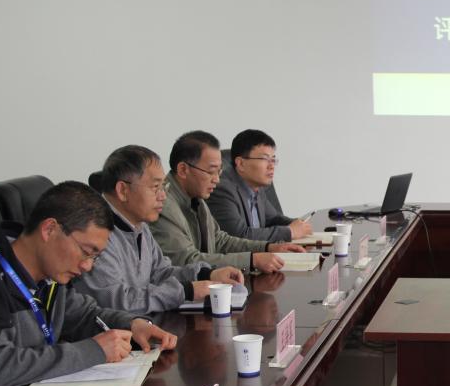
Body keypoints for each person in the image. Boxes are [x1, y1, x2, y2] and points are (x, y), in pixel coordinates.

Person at [0, 182, 177, 386]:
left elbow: (84, 315)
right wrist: (94, 350)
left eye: (95, 257)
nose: (87, 266)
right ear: (49, 229)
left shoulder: (49, 276)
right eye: (86, 252)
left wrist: (133, 325)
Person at [75, 145, 244, 314]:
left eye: (164, 187)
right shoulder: (95, 234)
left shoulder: (139, 225)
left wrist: (207, 275)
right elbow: (118, 301)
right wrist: (186, 291)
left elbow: (160, 273)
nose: (163, 196)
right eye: (156, 187)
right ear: (123, 190)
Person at [150, 131, 305, 274]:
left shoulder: (196, 197)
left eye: (219, 171)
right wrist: (252, 260)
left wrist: (267, 247)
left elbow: (219, 240)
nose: (217, 180)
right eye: (211, 171)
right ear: (183, 170)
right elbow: (187, 260)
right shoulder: (162, 204)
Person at [207, 129, 312, 242]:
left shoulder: (256, 187)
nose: (271, 166)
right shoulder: (222, 189)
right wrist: (290, 232)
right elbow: (238, 236)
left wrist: (299, 224)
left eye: (273, 159)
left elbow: (273, 219)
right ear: (241, 163)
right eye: (265, 159)